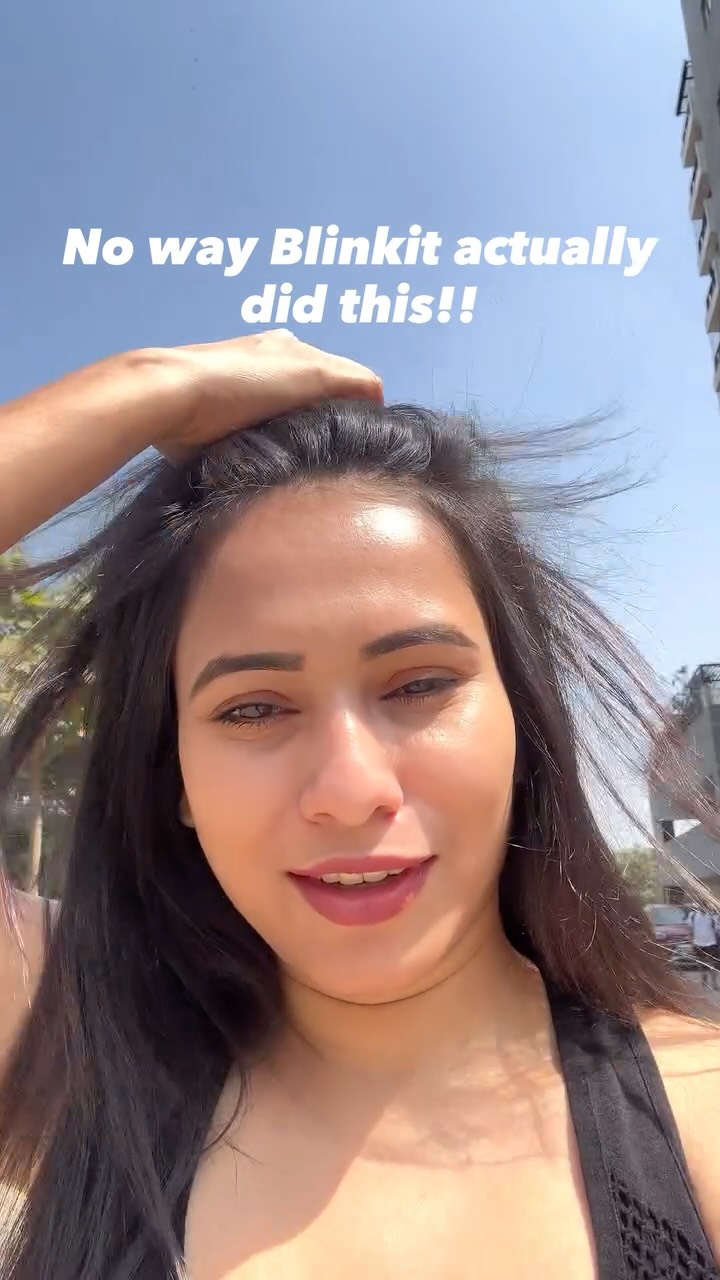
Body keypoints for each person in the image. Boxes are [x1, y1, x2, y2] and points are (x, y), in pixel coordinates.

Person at [0, 330, 719, 1280]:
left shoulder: (701, 1113)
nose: (350, 790)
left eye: (419, 685)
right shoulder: (81, 1054)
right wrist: (146, 385)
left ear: (520, 720)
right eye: (253, 708)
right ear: (173, 775)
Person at [689, 907, 720, 990]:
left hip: (711, 943)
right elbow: (690, 930)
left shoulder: (712, 916)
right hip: (698, 943)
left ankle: (714, 983)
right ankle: (704, 980)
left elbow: (717, 929)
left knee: (713, 964)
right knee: (701, 964)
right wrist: (691, 942)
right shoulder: (693, 915)